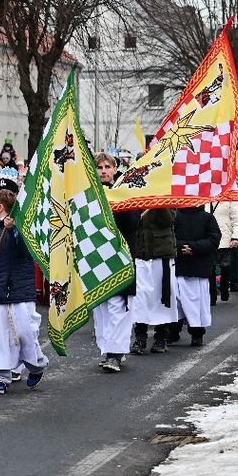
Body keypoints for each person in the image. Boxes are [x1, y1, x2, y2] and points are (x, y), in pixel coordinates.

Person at [0, 189, 47, 393]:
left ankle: (36, 365)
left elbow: (25, 250)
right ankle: (0, 376)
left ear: (0, 207)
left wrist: (15, 229)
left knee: (25, 332)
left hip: (19, 289)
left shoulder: (21, 227)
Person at [94, 153, 139, 372]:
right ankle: (106, 349)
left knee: (118, 306)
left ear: (114, 169)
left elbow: (133, 223)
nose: (103, 171)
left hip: (121, 256)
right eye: (99, 167)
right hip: (97, 257)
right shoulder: (90, 194)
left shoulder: (125, 191)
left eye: (107, 167)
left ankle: (116, 353)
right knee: (101, 307)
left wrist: (115, 205)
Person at [130, 207, 179, 354]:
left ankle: (161, 337)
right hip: (140, 253)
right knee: (140, 298)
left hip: (161, 255)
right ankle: (140, 337)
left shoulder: (166, 198)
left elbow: (168, 220)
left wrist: (158, 204)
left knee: (162, 296)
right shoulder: (135, 197)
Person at [171, 205, 221, 347]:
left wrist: (193, 247)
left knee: (197, 304)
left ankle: (197, 333)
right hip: (179, 267)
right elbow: (168, 237)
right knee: (177, 303)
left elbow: (214, 239)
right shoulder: (175, 216)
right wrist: (183, 247)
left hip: (199, 269)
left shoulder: (207, 218)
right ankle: (173, 331)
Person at [206, 199, 238, 304]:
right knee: (210, 268)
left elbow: (237, 219)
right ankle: (212, 295)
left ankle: (224, 287)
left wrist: (236, 237)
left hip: (225, 238)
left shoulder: (229, 197)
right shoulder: (203, 193)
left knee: (225, 267)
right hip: (208, 239)